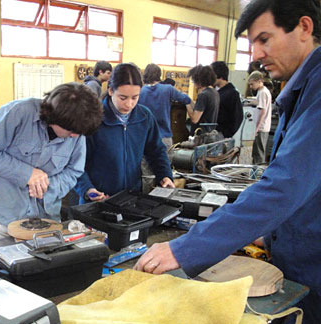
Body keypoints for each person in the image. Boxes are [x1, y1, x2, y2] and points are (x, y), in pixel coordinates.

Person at [134, 0, 321, 322]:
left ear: (304, 28)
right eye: (252, 44)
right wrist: (270, 233)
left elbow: (286, 185)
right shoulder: (304, 89)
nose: (256, 55)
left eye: (264, 38)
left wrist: (185, 249)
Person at [0, 83, 103, 238]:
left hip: (48, 219)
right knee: (8, 260)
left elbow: (74, 170)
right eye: (71, 131)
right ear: (54, 118)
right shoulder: (18, 113)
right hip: (10, 219)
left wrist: (48, 187)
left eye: (79, 133)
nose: (75, 136)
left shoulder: (76, 130)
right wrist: (26, 173)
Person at [74, 63, 175, 204]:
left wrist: (165, 175)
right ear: (110, 91)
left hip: (131, 199)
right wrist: (87, 189)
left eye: (135, 97)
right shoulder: (92, 120)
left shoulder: (144, 117)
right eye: (123, 98)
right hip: (97, 201)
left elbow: (156, 151)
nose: (129, 104)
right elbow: (75, 164)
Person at [139, 63, 193, 149]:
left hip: (145, 138)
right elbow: (186, 99)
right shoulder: (168, 89)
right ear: (159, 74)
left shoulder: (140, 92)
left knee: (144, 162)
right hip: (164, 137)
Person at [210, 61, 244, 138]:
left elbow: (237, 118)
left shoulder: (232, 93)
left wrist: (224, 135)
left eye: (212, 75)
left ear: (220, 76)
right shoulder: (214, 91)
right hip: (211, 133)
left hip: (221, 136)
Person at [185, 64, 220, 135]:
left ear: (199, 80)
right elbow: (199, 109)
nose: (193, 83)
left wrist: (186, 103)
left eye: (193, 80)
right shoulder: (214, 92)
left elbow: (195, 119)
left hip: (201, 135)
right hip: (209, 134)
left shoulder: (203, 95)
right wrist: (189, 100)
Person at [247, 71, 272, 164]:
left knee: (258, 154)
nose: (251, 87)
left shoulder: (262, 92)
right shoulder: (263, 91)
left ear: (259, 81)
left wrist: (257, 128)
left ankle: (257, 175)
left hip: (261, 128)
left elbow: (262, 111)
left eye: (252, 84)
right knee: (258, 152)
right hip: (263, 127)